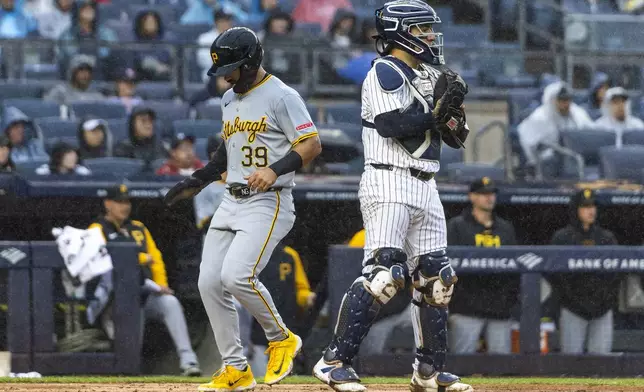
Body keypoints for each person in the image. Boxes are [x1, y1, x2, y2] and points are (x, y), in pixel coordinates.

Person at [313, 2, 472, 392]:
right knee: (384, 275)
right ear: (400, 32)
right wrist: (436, 115)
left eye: (430, 30)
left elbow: (456, 136)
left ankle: (428, 372)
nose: (431, 37)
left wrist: (452, 116)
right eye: (422, 30)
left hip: (427, 184)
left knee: (437, 280)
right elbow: (390, 124)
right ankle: (333, 362)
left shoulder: (432, 74)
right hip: (389, 181)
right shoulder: (383, 70)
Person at [163, 27, 322, 391]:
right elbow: (227, 150)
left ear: (251, 63)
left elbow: (311, 144)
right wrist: (197, 180)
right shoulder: (228, 100)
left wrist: (274, 169)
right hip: (231, 199)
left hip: (269, 199)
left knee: (236, 275)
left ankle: (281, 338)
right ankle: (236, 367)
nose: (225, 77)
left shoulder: (282, 95)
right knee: (208, 282)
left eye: (231, 69)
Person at [89, 185, 202, 376]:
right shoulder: (97, 229)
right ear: (107, 203)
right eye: (119, 202)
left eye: (127, 202)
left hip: (144, 293)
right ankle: (129, 369)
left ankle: (188, 361)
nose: (124, 206)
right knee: (131, 331)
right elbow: (104, 259)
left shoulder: (138, 228)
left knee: (169, 302)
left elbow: (155, 257)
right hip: (114, 300)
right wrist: (140, 258)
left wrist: (161, 284)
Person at [446, 177, 518, 354]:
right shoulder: (457, 226)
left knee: (501, 367)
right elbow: (446, 265)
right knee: (462, 366)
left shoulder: (505, 228)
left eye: (492, 194)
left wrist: (509, 301)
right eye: (483, 194)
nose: (489, 198)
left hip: (499, 308)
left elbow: (516, 268)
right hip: (466, 308)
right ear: (472, 197)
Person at [548, 189, 619, 355]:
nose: (591, 210)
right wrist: (569, 299)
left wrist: (605, 300)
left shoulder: (606, 238)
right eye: (585, 206)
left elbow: (617, 274)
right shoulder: (562, 238)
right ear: (575, 209)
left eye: (593, 206)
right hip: (573, 309)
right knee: (571, 365)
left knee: (601, 364)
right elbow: (554, 274)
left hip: (602, 309)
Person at [248, 243, 316, 376]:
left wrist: (309, 298)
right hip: (257, 326)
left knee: (284, 373)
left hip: (286, 320)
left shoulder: (289, 254)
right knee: (260, 374)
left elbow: (301, 289)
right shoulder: (250, 254)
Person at [517, 81, 594, 178]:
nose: (566, 104)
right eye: (561, 100)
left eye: (568, 99)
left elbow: (593, 134)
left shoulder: (577, 113)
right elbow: (531, 148)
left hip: (576, 157)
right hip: (548, 162)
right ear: (551, 100)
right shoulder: (539, 118)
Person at [132, 10, 173, 81]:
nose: (151, 25)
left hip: (165, 75)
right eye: (147, 22)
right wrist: (156, 66)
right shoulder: (134, 41)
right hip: (140, 76)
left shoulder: (167, 40)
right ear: (141, 23)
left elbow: (171, 59)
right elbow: (138, 59)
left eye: (153, 22)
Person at [197, 9, 234, 82]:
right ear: (216, 22)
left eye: (228, 20)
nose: (226, 23)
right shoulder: (205, 38)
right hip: (212, 78)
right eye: (223, 21)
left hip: (233, 77)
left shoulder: (236, 38)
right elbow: (204, 61)